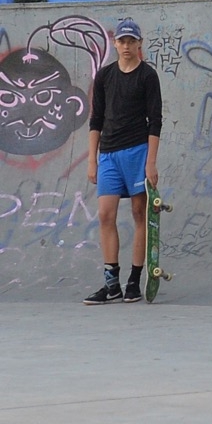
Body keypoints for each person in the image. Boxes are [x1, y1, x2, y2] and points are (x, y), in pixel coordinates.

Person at [83, 19, 163, 304]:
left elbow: (155, 122)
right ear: (115, 44)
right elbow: (95, 120)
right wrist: (92, 159)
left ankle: (134, 281)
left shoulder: (147, 76)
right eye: (122, 41)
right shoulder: (105, 76)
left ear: (139, 44)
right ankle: (111, 282)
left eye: (131, 41)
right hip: (108, 154)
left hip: (137, 151)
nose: (127, 46)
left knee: (140, 213)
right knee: (106, 214)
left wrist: (150, 163)